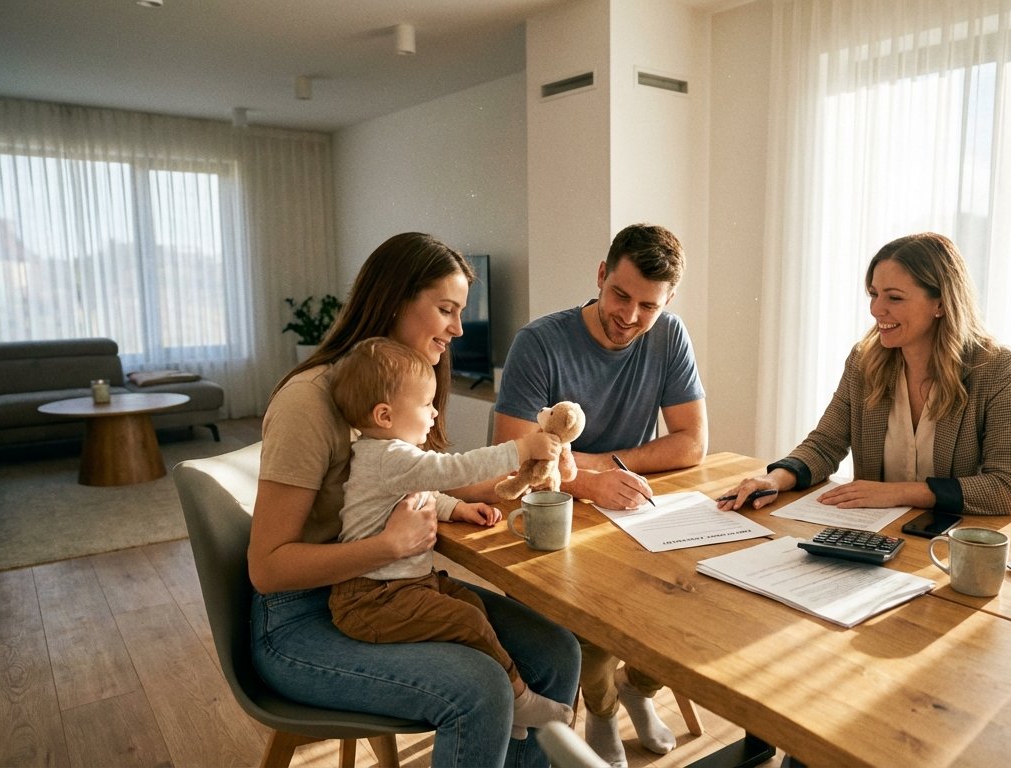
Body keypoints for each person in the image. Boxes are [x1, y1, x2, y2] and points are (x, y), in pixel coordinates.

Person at [248, 232, 582, 768]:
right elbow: (267, 569)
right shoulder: (308, 403)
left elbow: (435, 480)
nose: (457, 328)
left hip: (397, 585)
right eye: (446, 310)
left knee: (557, 651)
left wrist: (530, 471)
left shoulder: (401, 388)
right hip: (301, 618)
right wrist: (388, 546)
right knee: (480, 690)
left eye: (461, 312)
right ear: (394, 300)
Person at [489, 223, 707, 767]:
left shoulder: (670, 335)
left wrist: (594, 465)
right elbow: (508, 453)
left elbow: (692, 445)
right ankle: (605, 711)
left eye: (649, 306)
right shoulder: (539, 342)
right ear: (601, 274)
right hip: (554, 512)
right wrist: (585, 485)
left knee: (697, 592)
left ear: (669, 301)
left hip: (628, 504)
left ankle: (639, 689)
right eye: (620, 295)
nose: (630, 318)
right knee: (584, 615)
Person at [326, 336, 573, 740]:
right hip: (371, 598)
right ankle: (520, 697)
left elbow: (422, 493)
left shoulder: (390, 459)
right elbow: (451, 470)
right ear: (385, 415)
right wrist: (519, 448)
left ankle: (509, 708)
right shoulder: (388, 456)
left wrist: (456, 510)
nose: (435, 411)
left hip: (400, 587)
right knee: (468, 619)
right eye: (426, 404)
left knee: (470, 602)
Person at [718, 231, 1011, 517]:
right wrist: (773, 479)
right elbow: (825, 445)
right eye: (873, 294)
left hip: (955, 544)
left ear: (940, 302)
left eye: (894, 297)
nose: (876, 309)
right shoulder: (864, 362)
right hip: (875, 536)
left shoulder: (998, 371)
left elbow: (1009, 488)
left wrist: (896, 493)